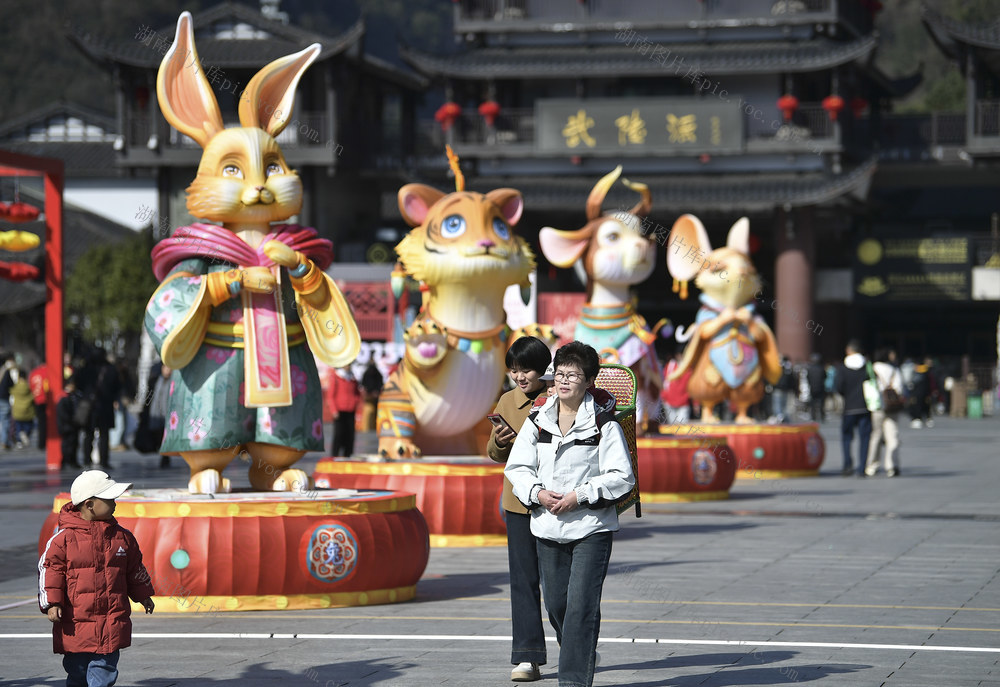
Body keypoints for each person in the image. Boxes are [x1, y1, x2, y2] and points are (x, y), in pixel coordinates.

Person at [505, 341, 635, 687]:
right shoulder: (538, 419)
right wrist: (537, 493)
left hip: (591, 528)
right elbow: (517, 467)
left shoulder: (603, 423)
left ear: (589, 381)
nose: (563, 381)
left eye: (573, 375)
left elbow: (622, 477)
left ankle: (573, 680)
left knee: (580, 606)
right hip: (547, 527)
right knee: (557, 605)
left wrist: (580, 496)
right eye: (560, 374)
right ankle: (582, 650)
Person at [38, 470, 156, 687]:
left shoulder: (122, 538)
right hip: (76, 622)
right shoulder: (63, 539)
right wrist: (52, 603)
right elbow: (50, 570)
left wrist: (143, 594)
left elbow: (134, 569)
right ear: (89, 504)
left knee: (104, 671)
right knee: (77, 672)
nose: (115, 503)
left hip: (111, 620)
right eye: (109, 499)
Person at [487, 336, 553, 682]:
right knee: (523, 581)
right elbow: (493, 452)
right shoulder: (507, 400)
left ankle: (576, 644)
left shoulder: (559, 397)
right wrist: (499, 443)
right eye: (514, 370)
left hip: (555, 502)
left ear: (543, 369)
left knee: (558, 584)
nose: (519, 376)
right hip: (517, 504)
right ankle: (528, 656)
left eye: (525, 369)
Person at [834, 339, 872, 477]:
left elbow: (838, 386)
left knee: (846, 437)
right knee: (865, 438)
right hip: (865, 407)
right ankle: (862, 468)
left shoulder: (842, 368)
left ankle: (847, 465)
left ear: (848, 351)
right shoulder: (867, 366)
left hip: (849, 407)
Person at [866, 348, 904, 477]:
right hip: (892, 407)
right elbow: (899, 388)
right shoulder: (894, 370)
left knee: (876, 436)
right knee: (892, 436)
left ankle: (872, 465)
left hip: (877, 406)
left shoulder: (872, 368)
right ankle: (892, 466)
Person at [329, 366, 361, 457]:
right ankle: (335, 455)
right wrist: (334, 410)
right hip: (340, 411)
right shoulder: (336, 377)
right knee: (339, 434)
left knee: (350, 435)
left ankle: (348, 455)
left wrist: (355, 402)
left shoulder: (352, 378)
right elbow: (331, 396)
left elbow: (357, 393)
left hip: (351, 410)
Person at [56, 377, 83, 470]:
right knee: (67, 444)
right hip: (66, 425)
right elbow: (62, 413)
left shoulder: (75, 396)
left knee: (74, 443)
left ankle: (72, 461)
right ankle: (66, 461)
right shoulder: (64, 397)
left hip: (73, 425)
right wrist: (70, 421)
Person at [660, 350, 691, 424]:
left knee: (682, 427)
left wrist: (695, 403)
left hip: (683, 403)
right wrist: (663, 396)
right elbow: (663, 380)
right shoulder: (669, 366)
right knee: (672, 426)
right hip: (669, 402)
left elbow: (691, 385)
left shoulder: (688, 368)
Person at [10, 368, 35, 448]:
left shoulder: (15, 387)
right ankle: (26, 433)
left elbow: (10, 392)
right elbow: (32, 396)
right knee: (29, 425)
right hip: (28, 410)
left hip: (17, 410)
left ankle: (19, 441)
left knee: (18, 426)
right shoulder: (28, 386)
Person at [359, 359, 384, 432]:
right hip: (369, 398)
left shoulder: (378, 374)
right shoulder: (367, 373)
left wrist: (377, 392)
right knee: (368, 413)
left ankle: (375, 427)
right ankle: (367, 428)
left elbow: (380, 384)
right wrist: (369, 393)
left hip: (376, 397)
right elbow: (364, 384)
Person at [29, 361, 49, 449]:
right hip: (46, 399)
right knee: (47, 422)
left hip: (37, 399)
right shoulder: (47, 372)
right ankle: (45, 441)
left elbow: (31, 386)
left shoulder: (34, 372)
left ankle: (41, 442)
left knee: (41, 422)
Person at [0, 353, 16, 449]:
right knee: (5, 420)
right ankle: (4, 441)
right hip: (4, 398)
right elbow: (11, 384)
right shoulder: (5, 372)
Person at [805, 353, 826, 423]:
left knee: (813, 403)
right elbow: (825, 377)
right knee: (821, 403)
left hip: (812, 388)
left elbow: (808, 378)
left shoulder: (810, 369)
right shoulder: (821, 368)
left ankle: (813, 417)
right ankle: (822, 416)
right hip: (820, 387)